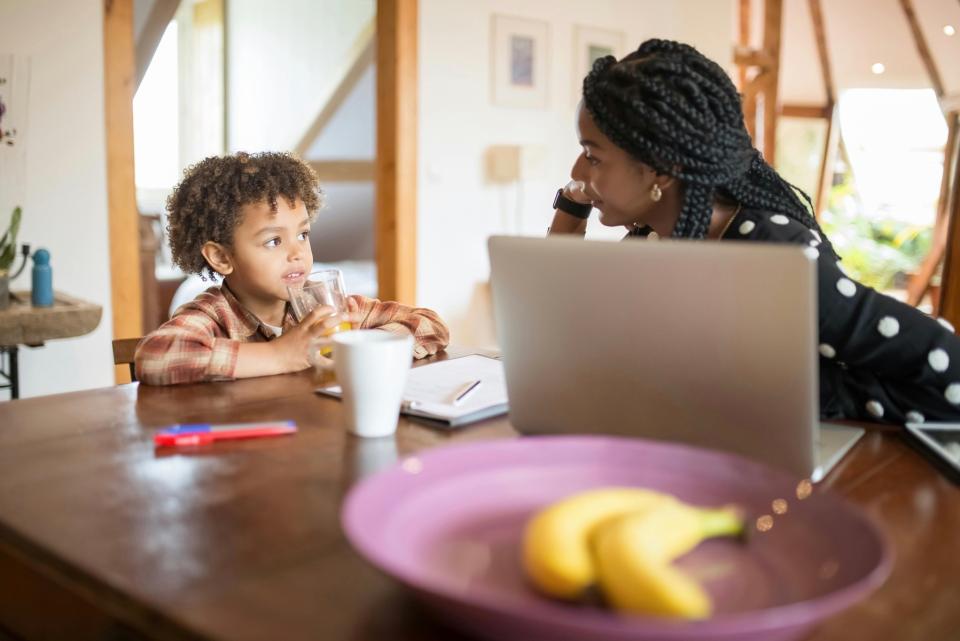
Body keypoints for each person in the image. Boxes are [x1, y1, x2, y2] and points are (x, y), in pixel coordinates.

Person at [549, 38, 960, 425]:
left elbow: (945, 362)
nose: (577, 172)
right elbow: (556, 321)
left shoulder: (772, 251)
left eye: (592, 156)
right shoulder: (653, 237)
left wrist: (816, 398)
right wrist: (571, 206)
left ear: (659, 168)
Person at [135, 152, 449, 385]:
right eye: (273, 241)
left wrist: (361, 347)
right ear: (221, 257)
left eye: (302, 234)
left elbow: (430, 325)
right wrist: (281, 355)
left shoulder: (324, 310)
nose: (297, 252)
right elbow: (155, 356)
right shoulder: (212, 316)